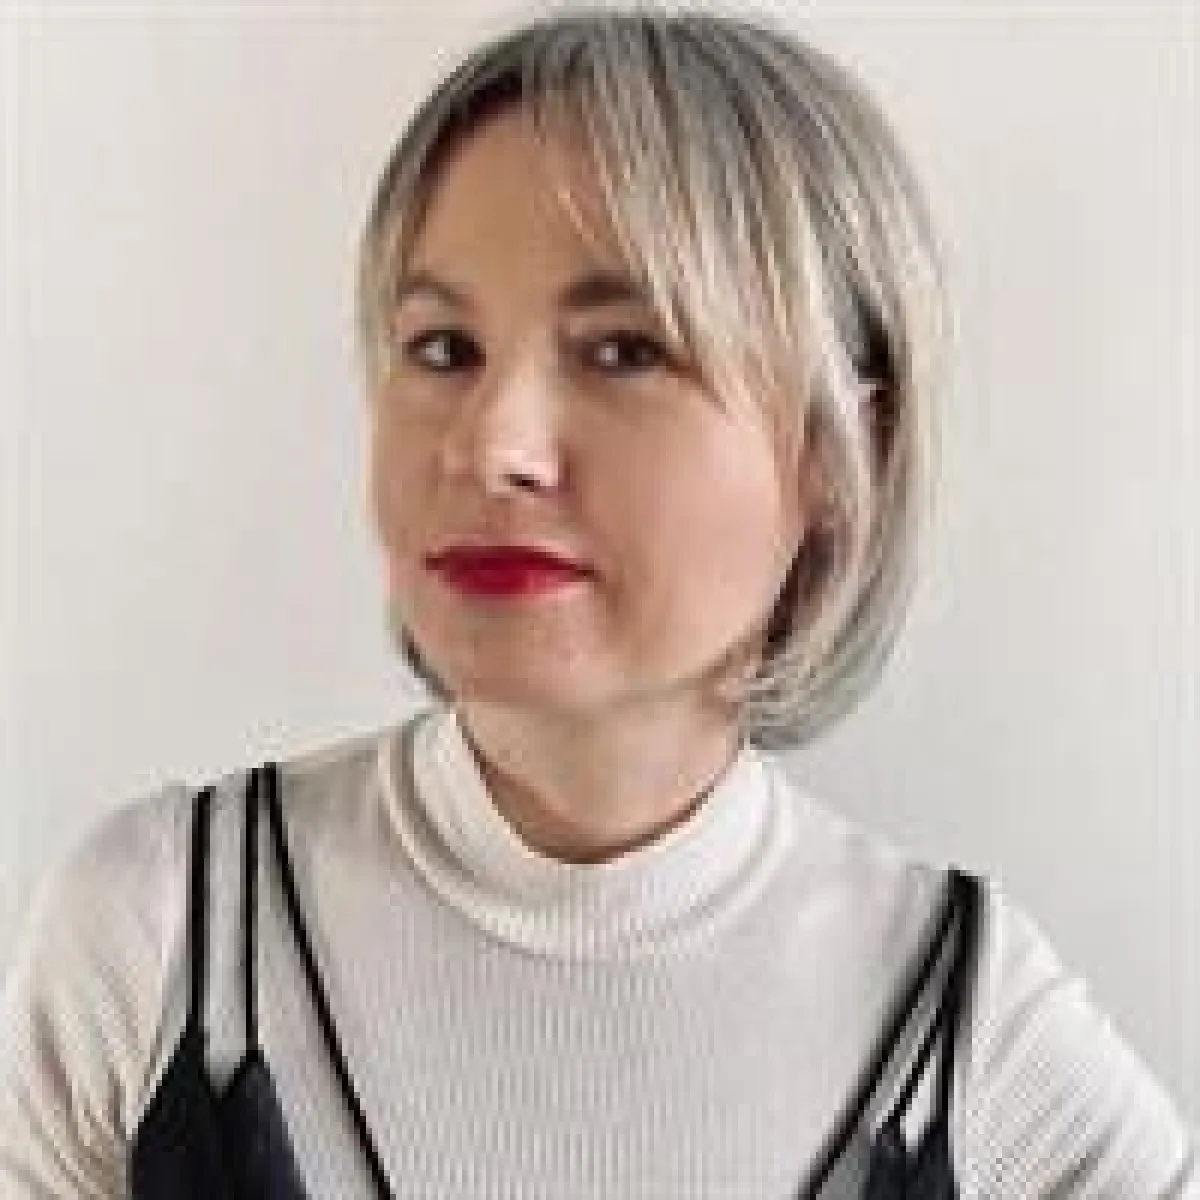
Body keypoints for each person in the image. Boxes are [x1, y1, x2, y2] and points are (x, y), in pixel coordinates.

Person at [1, 5, 1195, 1197]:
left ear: (843, 451)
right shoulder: (160, 934)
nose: (494, 447)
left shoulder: (970, 1033)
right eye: (443, 348)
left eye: (624, 350)